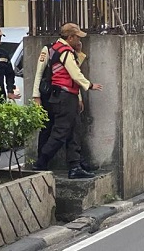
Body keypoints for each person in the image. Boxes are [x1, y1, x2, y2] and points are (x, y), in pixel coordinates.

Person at [34, 23, 103, 179]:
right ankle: (41, 161)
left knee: (74, 131)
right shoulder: (65, 52)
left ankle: (75, 165)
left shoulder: (58, 49)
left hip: (63, 96)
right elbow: (75, 74)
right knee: (60, 132)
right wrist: (90, 85)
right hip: (65, 97)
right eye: (77, 37)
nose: (79, 40)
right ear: (70, 37)